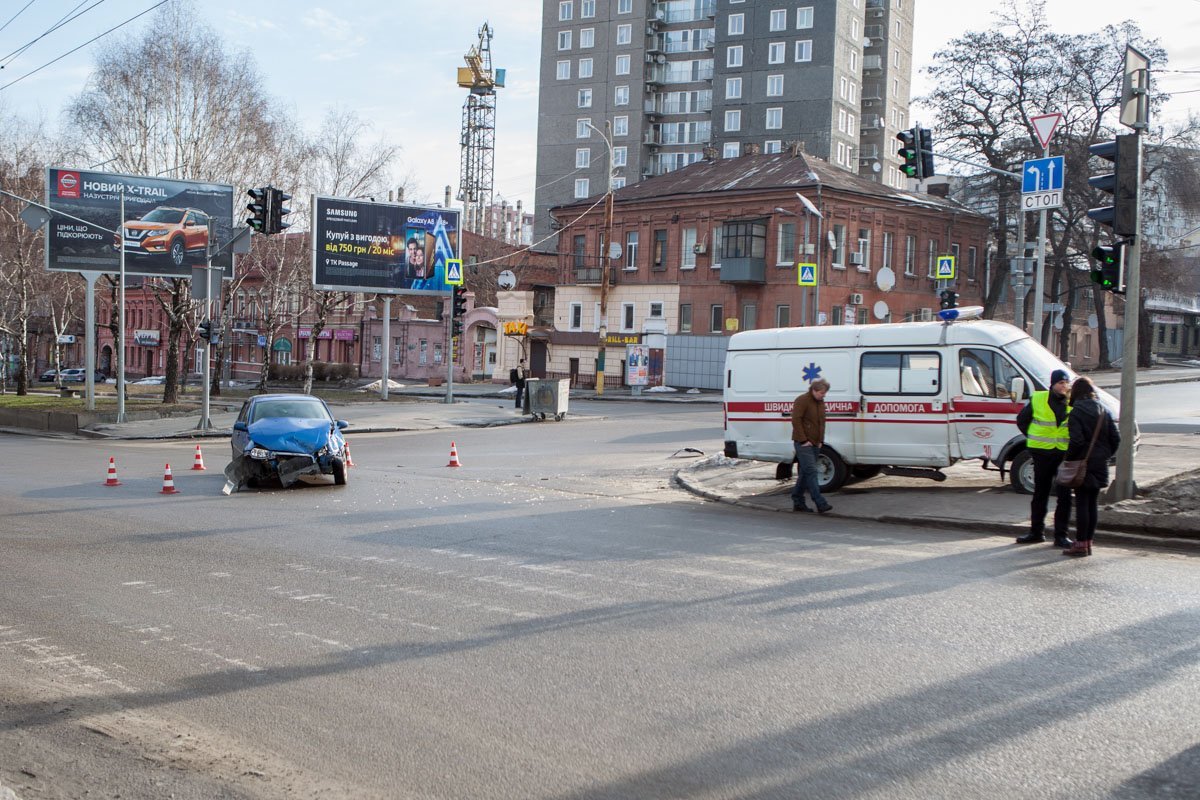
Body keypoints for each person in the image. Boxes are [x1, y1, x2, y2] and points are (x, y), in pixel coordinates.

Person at [1015, 369, 1075, 548]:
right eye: (1060, 383)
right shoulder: (1039, 399)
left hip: (1064, 453)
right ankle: (1036, 532)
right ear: (1052, 384)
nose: (1064, 386)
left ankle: (1061, 536)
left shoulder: (1073, 400)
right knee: (1040, 494)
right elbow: (1022, 420)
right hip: (1042, 453)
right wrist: (1032, 439)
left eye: (1066, 383)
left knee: (1064, 496)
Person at [1062, 376, 1120, 557]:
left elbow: (1077, 441)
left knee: (1081, 504)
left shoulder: (1076, 413)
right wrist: (1104, 455)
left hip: (1082, 464)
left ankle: (1080, 545)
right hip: (1100, 463)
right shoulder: (1103, 411)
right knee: (1092, 504)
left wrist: (1069, 459)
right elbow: (1116, 438)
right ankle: (1088, 543)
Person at [790, 378, 832, 514]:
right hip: (804, 443)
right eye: (821, 393)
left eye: (824, 393)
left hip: (815, 443)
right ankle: (820, 502)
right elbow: (796, 420)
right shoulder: (802, 400)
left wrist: (820, 441)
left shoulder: (820, 402)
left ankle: (798, 501)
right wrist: (803, 440)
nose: (823, 395)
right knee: (812, 472)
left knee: (804, 474)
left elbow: (821, 422)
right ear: (814, 390)